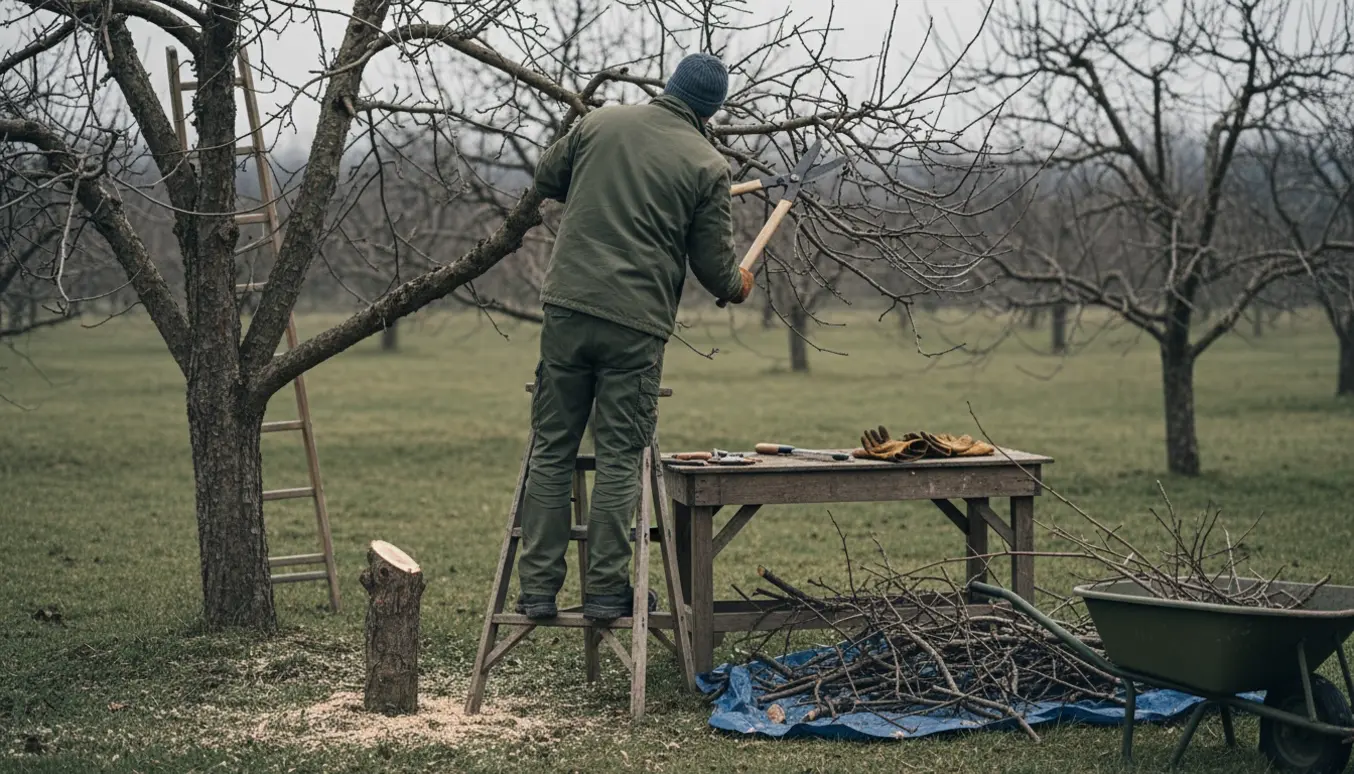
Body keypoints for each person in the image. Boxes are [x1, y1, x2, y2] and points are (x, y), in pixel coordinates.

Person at [515, 53, 754, 622]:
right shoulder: (707, 164)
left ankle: (537, 590)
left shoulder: (600, 121)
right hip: (635, 325)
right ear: (711, 111)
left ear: (669, 87)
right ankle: (606, 591)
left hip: (567, 309)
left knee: (552, 447)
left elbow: (548, 178)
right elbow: (717, 273)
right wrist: (741, 283)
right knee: (620, 455)